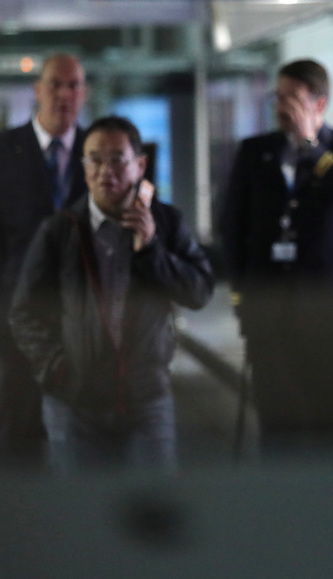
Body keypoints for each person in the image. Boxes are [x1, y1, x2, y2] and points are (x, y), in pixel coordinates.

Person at [8, 115, 214, 471]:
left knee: (152, 513)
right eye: (94, 160)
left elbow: (199, 291)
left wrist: (151, 249)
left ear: (140, 164)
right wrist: (54, 367)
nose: (106, 170)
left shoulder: (165, 223)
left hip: (147, 400)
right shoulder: (60, 231)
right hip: (74, 404)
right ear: (83, 166)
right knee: (79, 517)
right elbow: (24, 312)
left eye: (117, 159)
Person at [220, 59, 333, 457]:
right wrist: (241, 297)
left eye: (292, 97)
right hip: (270, 307)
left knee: (328, 413)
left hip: (329, 306)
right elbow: (232, 226)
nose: (281, 105)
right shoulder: (255, 152)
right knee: (276, 416)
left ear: (319, 104)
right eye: (278, 96)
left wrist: (312, 147)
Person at [0, 53, 88, 468]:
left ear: (84, 94)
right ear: (37, 90)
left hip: (85, 320)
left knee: (83, 433)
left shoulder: (101, 153)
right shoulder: (5, 151)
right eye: (54, 84)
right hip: (16, 316)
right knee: (21, 429)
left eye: (73, 85)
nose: (63, 94)